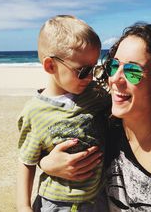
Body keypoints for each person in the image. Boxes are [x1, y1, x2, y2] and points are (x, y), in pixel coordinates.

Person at [40, 22, 151, 211]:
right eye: (113, 66)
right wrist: (46, 164)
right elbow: (47, 144)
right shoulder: (105, 123)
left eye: (132, 71)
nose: (115, 79)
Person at [17, 15, 110, 212]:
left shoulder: (96, 94)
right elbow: (27, 161)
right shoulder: (34, 112)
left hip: (98, 196)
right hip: (58, 204)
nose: (91, 77)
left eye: (94, 68)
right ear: (51, 66)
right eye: (83, 70)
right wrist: (23, 206)